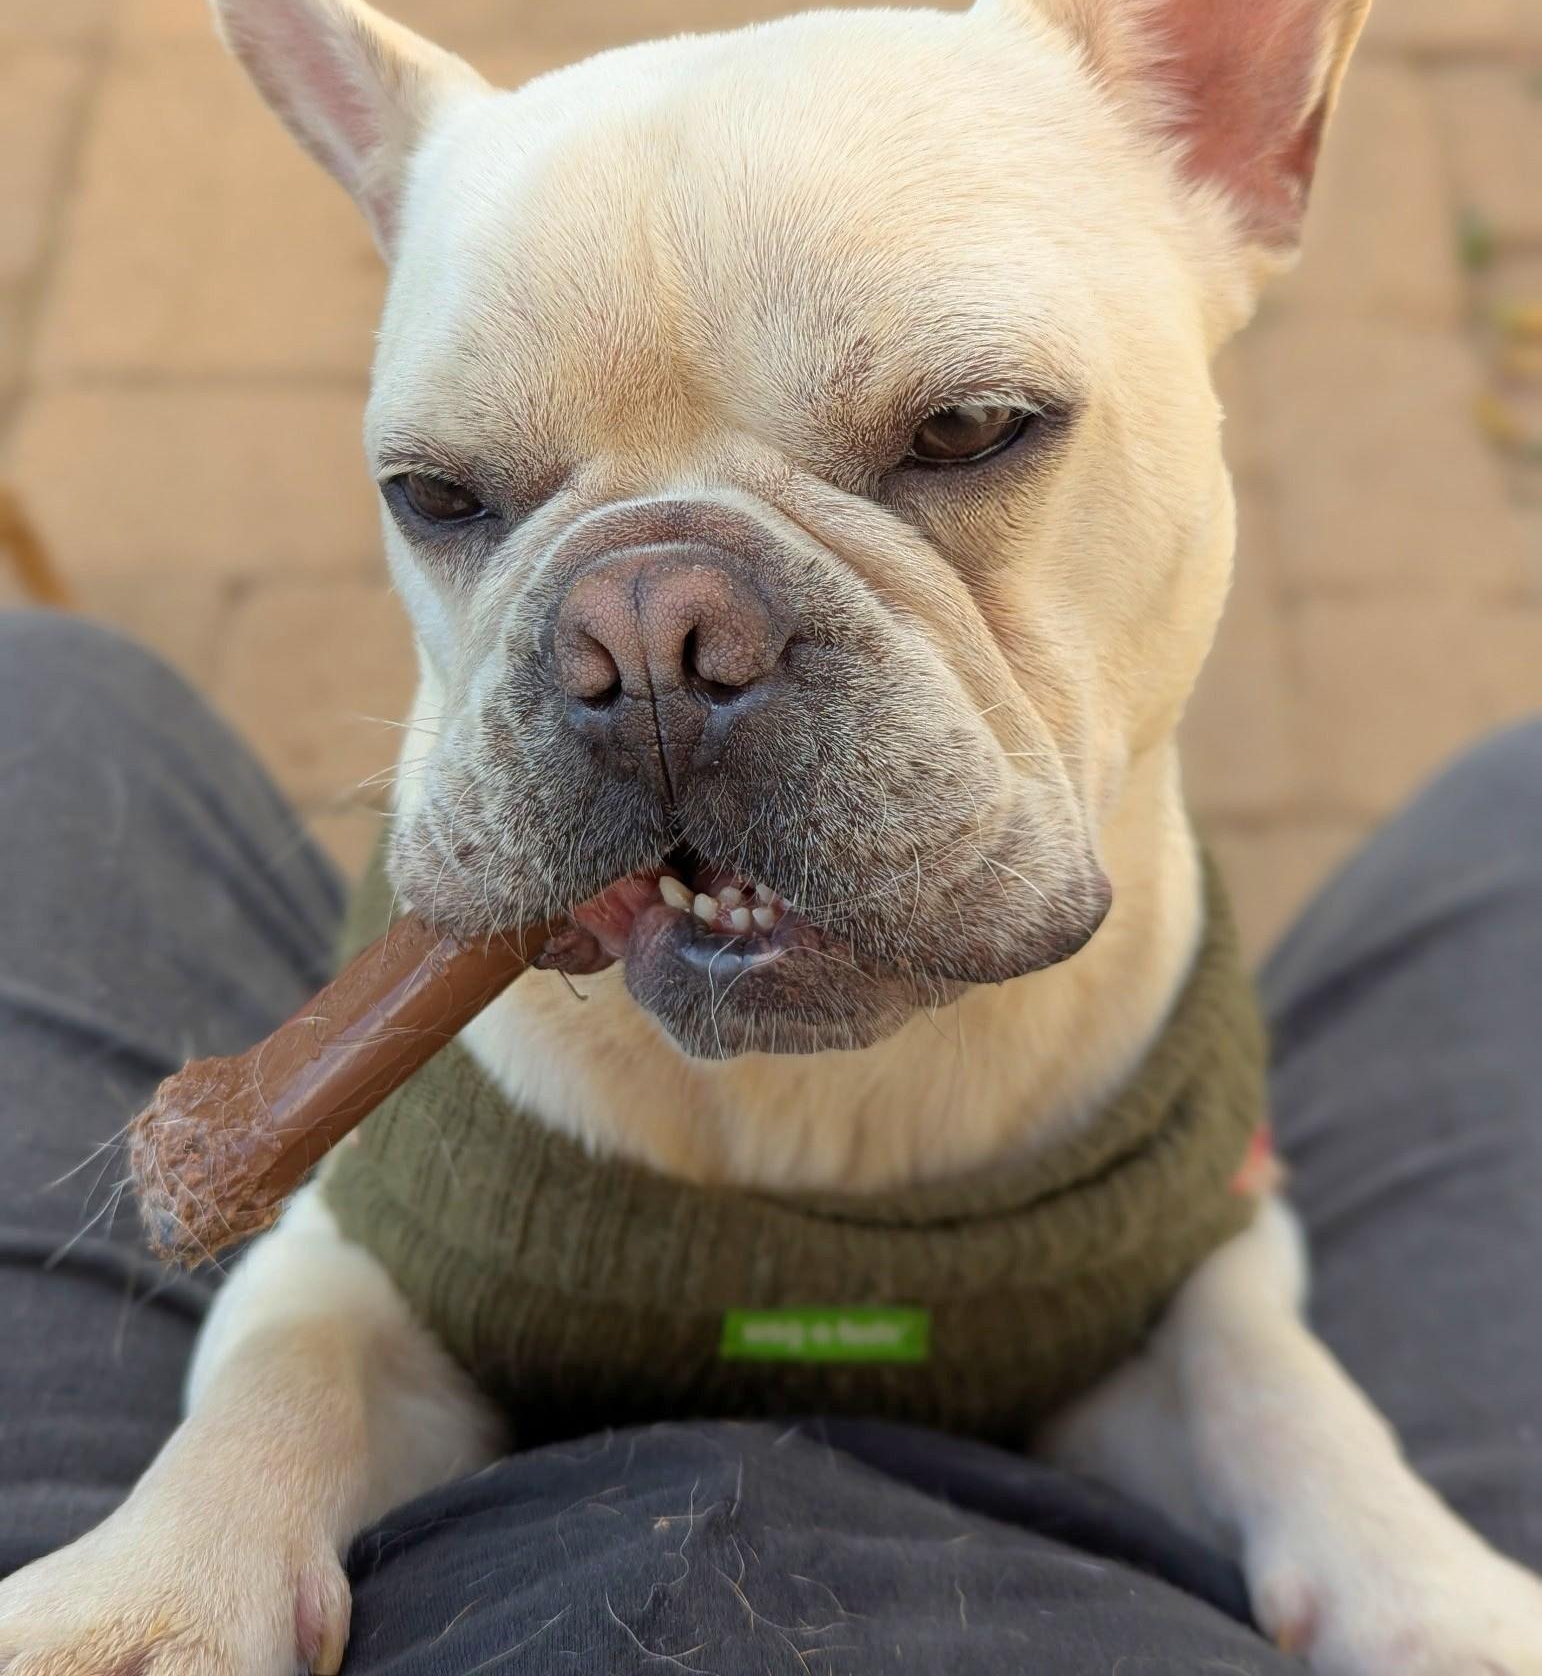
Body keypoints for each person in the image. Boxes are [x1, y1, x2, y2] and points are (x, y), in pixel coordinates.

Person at [1, 609, 1537, 1673]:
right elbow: (359, 1306)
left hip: (481, 1585)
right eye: (461, 497)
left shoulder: (1157, 1121)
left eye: (957, 437)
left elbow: (1184, 1292)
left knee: (45, 694)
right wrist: (226, 1500)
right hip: (1097, 1581)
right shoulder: (448, 1145)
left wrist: (1329, 1483)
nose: (662, 649)